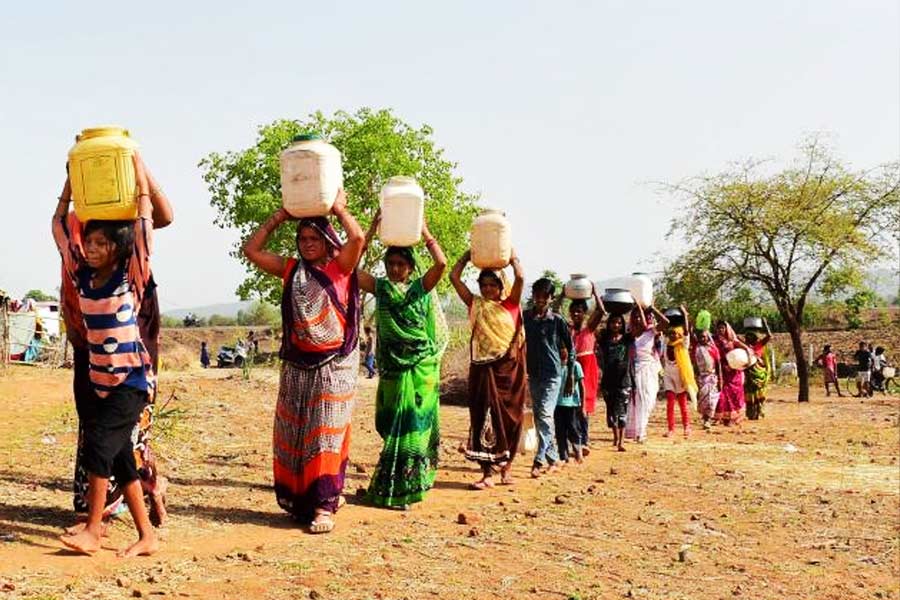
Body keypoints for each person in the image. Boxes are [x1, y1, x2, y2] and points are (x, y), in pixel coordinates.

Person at [59, 157, 172, 533]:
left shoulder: (129, 265)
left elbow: (153, 223)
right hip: (95, 361)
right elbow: (60, 231)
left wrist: (138, 171)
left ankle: (99, 524)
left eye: (99, 243)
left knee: (110, 439)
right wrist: (69, 185)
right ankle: (135, 528)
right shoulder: (81, 258)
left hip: (130, 364)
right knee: (112, 444)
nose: (90, 248)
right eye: (87, 242)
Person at [242, 189, 365, 533]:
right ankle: (303, 501)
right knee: (296, 435)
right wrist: (278, 218)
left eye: (314, 238)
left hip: (333, 366)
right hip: (297, 366)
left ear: (327, 241)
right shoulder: (291, 270)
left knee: (325, 434)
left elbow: (357, 238)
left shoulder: (340, 268)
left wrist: (339, 210)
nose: (308, 244)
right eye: (303, 239)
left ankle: (324, 506)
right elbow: (251, 251)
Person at [356, 214, 447, 509]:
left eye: (400, 264)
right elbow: (351, 270)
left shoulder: (420, 289)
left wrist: (425, 232)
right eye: (390, 264)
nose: (395, 269)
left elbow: (441, 265)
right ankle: (397, 486)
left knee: (415, 428)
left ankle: (408, 488)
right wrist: (370, 231)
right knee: (393, 426)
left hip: (421, 369)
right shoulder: (381, 289)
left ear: (410, 267)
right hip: (393, 371)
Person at [450, 250, 526, 489]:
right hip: (483, 371)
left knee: (512, 418)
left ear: (501, 286)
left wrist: (512, 259)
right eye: (484, 285)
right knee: (483, 416)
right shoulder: (476, 304)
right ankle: (487, 473)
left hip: (508, 372)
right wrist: (467, 256)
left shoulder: (511, 304)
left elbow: (521, 278)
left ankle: (507, 467)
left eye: (493, 285)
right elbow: (454, 278)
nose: (488, 289)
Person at [523, 278, 572, 478]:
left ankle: (539, 460)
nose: (541, 299)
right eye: (537, 295)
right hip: (534, 373)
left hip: (553, 374)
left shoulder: (557, 321)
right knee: (540, 416)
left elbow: (571, 349)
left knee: (544, 414)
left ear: (551, 298)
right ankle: (554, 458)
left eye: (545, 296)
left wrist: (570, 377)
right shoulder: (526, 317)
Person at [568, 287, 604, 453]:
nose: (576, 314)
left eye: (579, 311)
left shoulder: (589, 328)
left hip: (588, 366)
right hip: (572, 366)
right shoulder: (568, 329)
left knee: (584, 403)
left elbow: (601, 311)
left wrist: (594, 293)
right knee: (571, 403)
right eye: (573, 311)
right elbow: (555, 311)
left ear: (584, 313)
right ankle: (575, 440)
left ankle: (584, 440)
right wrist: (562, 295)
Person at [625, 305, 667, 443]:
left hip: (649, 368)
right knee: (637, 400)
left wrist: (653, 308)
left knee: (648, 399)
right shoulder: (629, 333)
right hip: (634, 368)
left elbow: (666, 322)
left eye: (640, 316)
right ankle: (639, 432)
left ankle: (640, 429)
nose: (638, 319)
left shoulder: (651, 331)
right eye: (636, 316)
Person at [596, 313, 631, 451]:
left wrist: (640, 308)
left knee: (622, 411)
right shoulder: (604, 340)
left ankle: (621, 441)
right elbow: (593, 328)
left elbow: (642, 327)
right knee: (611, 411)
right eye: (613, 322)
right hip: (608, 381)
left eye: (619, 323)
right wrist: (601, 310)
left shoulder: (627, 338)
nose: (616, 325)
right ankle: (615, 437)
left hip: (624, 380)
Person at [662, 307, 696, 438]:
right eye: (670, 333)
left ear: (679, 334)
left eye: (674, 333)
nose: (672, 335)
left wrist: (684, 315)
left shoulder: (683, 344)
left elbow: (686, 331)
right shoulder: (666, 343)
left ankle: (687, 427)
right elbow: (663, 327)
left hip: (681, 375)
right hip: (668, 375)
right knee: (670, 402)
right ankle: (671, 429)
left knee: (682, 404)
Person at [713, 321, 750, 426]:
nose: (720, 330)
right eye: (719, 328)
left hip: (733, 372)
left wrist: (745, 362)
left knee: (734, 395)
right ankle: (721, 417)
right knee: (722, 395)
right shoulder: (714, 341)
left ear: (727, 329)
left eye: (722, 328)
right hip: (720, 371)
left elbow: (746, 348)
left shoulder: (732, 341)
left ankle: (733, 418)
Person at [691, 312, 722, 429]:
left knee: (711, 400)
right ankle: (705, 419)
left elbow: (718, 364)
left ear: (708, 337)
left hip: (712, 378)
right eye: (700, 337)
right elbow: (695, 365)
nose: (702, 339)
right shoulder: (696, 348)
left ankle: (708, 420)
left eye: (704, 337)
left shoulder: (713, 349)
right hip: (701, 378)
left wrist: (720, 379)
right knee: (703, 400)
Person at [555, 359, 585, 463]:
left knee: (573, 429)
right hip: (557, 403)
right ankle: (564, 456)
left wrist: (583, 405)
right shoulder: (556, 364)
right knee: (560, 431)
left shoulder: (575, 366)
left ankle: (578, 453)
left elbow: (582, 386)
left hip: (572, 404)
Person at [743, 320, 772, 420]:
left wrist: (765, 324)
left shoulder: (760, 345)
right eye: (748, 336)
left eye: (752, 336)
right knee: (749, 394)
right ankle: (751, 413)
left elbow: (769, 336)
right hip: (748, 374)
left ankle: (760, 411)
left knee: (759, 393)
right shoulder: (745, 346)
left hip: (759, 373)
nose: (750, 338)